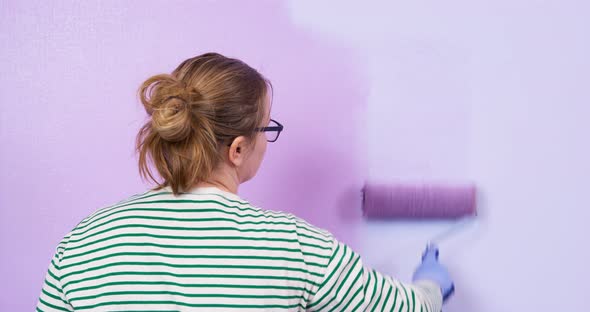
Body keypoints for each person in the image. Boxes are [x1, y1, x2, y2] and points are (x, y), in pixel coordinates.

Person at [36, 52, 453, 311]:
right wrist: (431, 284)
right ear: (237, 149)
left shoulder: (83, 243)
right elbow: (407, 309)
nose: (266, 142)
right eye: (266, 130)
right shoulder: (294, 245)